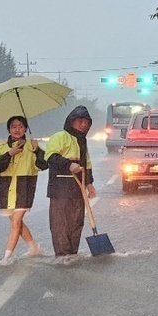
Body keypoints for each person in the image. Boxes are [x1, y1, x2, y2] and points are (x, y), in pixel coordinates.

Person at [0, 114, 45, 261]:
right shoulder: (0, 147)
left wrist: (37, 151)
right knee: (15, 222)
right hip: (6, 190)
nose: (17, 129)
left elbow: (44, 165)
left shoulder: (32, 146)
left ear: (25, 128)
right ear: (9, 129)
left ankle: (6, 257)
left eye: (20, 126)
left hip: (24, 188)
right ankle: (34, 247)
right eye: (13, 127)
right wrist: (9, 154)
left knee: (16, 222)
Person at [44, 105, 96, 257]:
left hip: (78, 189)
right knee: (60, 224)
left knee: (76, 223)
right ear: (71, 121)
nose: (83, 125)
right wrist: (68, 165)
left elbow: (87, 163)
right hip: (60, 188)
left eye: (86, 122)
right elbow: (50, 157)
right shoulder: (60, 137)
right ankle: (62, 255)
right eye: (80, 121)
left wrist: (89, 183)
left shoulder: (83, 141)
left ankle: (72, 254)